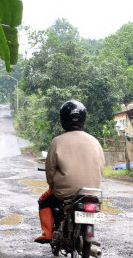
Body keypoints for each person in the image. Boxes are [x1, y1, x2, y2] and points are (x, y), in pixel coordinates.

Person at [34, 100, 105, 243]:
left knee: (43, 200)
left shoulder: (57, 141)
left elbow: (50, 168)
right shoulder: (94, 141)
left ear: (63, 120)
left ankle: (47, 233)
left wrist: (51, 183)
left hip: (65, 192)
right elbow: (102, 165)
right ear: (83, 119)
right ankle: (88, 234)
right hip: (91, 191)